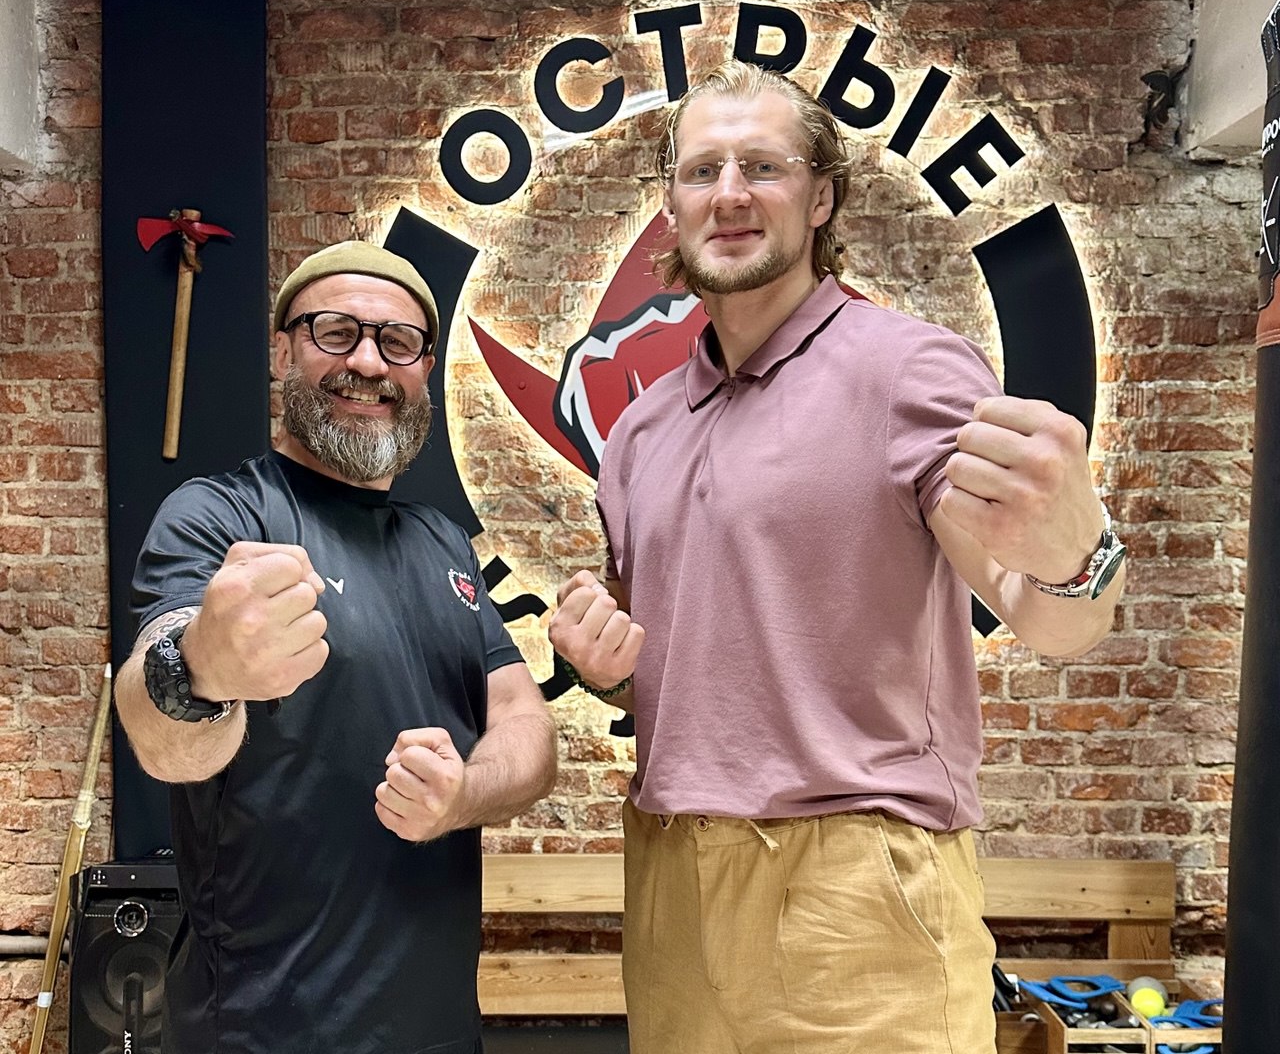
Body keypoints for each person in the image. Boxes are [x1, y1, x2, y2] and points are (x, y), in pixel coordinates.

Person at [548, 61, 1126, 1054]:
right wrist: (602, 670)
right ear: (671, 206)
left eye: (762, 166)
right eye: (701, 171)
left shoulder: (908, 370)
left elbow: (1047, 616)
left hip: (854, 885)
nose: (729, 193)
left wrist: (1080, 553)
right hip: (669, 881)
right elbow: (680, 671)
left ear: (820, 197)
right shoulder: (640, 430)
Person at [115, 240, 558, 1054]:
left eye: (398, 342)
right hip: (261, 1032)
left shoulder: (443, 543)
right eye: (336, 332)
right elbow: (158, 732)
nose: (368, 363)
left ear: (425, 371)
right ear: (283, 351)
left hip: (439, 1033)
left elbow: (524, 720)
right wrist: (202, 668)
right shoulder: (219, 516)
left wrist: (464, 794)